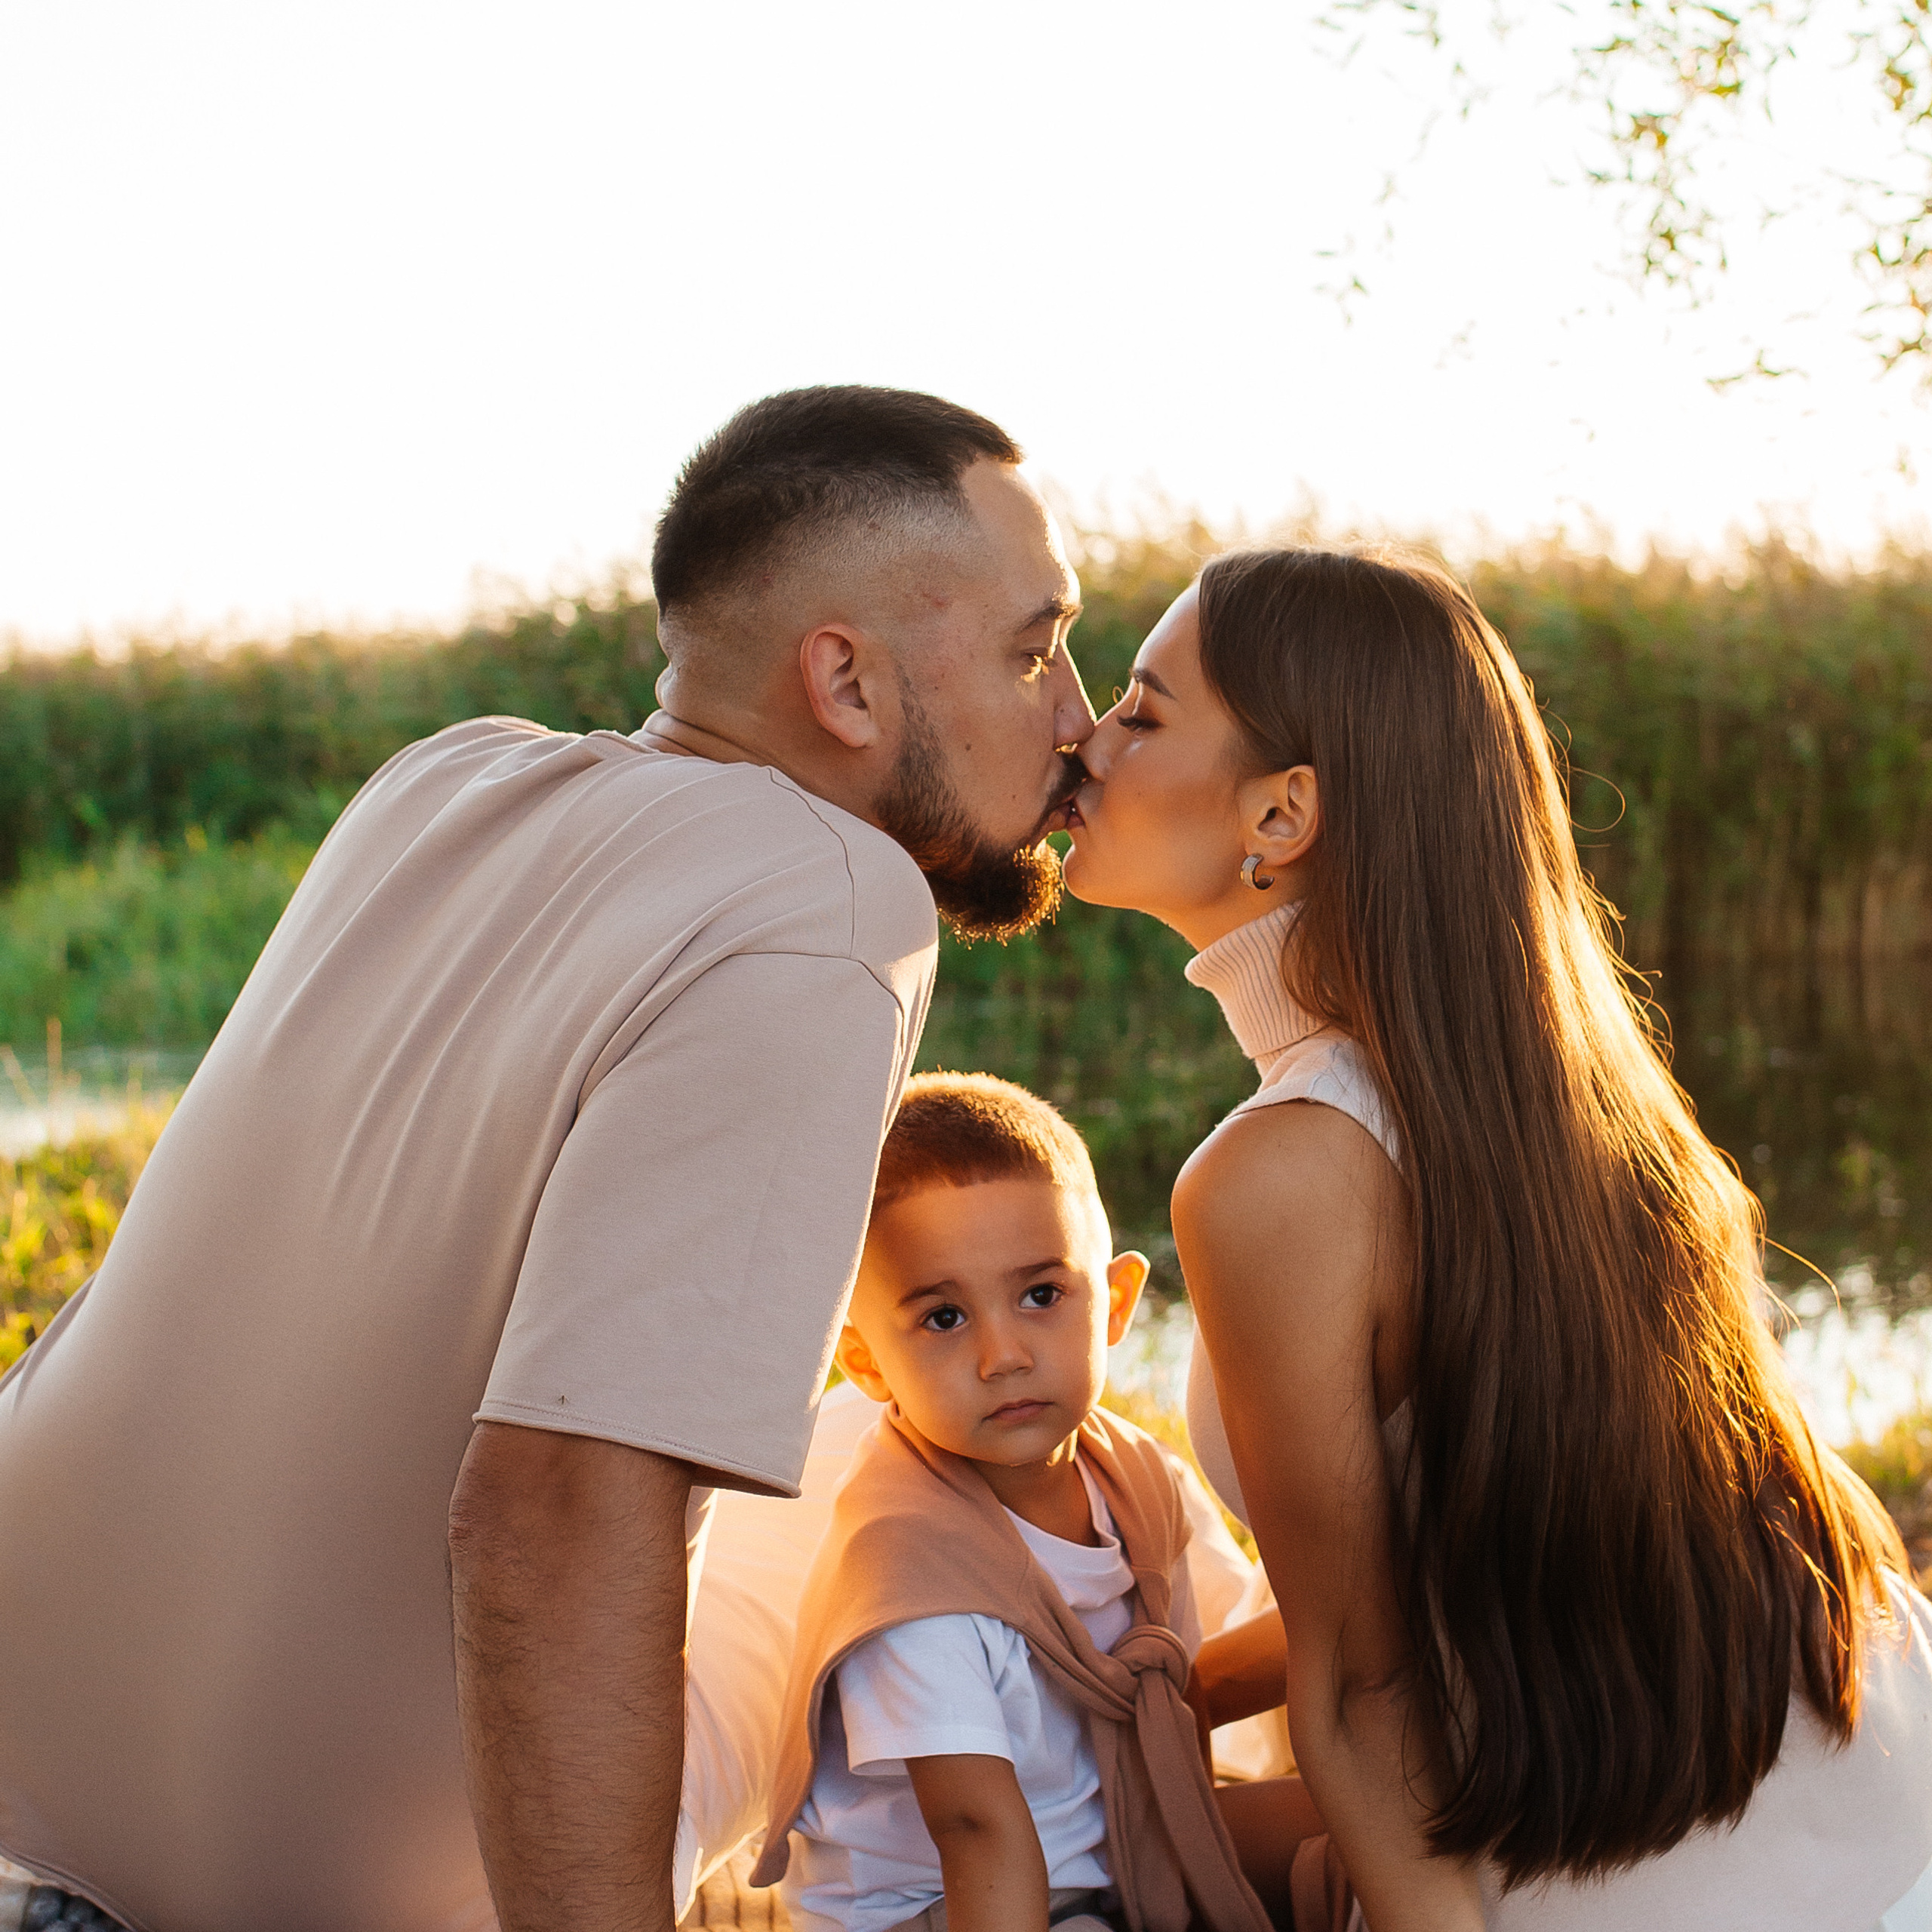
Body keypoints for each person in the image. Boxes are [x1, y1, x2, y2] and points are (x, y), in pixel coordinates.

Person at [0, 386, 1096, 1932]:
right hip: (319, 1884)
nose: (1080, 719)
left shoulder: (439, 777)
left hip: (29, 1757)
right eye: (1036, 649)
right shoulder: (837, 895)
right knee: (875, 1439)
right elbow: (552, 1510)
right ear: (843, 681)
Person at [1062, 547, 1932, 1930]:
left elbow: (1367, 1688)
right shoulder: (1561, 1099)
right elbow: (1484, 1565)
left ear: (1283, 813)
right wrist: (1165, 1675)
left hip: (1662, 1879)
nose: (1080, 738)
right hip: (1880, 1795)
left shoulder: (1279, 1174)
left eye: (1141, 711)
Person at [754, 1072, 1279, 1932]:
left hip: (1115, 1840)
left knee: (1374, 1832)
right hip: (944, 1903)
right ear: (865, 1361)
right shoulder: (915, 1572)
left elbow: (1177, 1687)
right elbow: (977, 1831)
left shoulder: (1133, 1477)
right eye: (943, 1318)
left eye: (1041, 1295)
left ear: (1111, 1303)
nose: (1003, 1355)